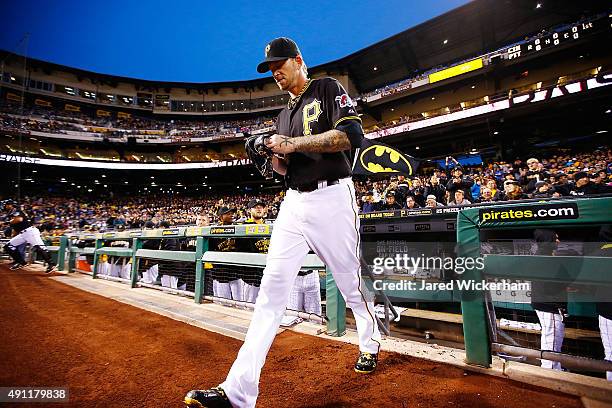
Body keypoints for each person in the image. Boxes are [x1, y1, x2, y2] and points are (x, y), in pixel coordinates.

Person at [185, 37, 381, 408]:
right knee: (270, 293)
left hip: (333, 197)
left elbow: (351, 137)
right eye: (269, 68)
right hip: (294, 202)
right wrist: (267, 156)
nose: (274, 71)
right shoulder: (283, 115)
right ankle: (238, 392)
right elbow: (284, 167)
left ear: (298, 60)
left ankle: (370, 342)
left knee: (350, 283)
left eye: (279, 64)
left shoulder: (326, 88)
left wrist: (291, 145)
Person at [531, 229, 566, 371]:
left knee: (549, 339)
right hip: (549, 305)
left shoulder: (543, 255)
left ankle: (551, 368)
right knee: (551, 341)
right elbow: (550, 286)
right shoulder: (545, 258)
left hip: (545, 304)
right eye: (555, 239)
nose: (558, 241)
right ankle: (551, 372)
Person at [3, 200, 57, 273]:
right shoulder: (11, 213)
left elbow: (19, 219)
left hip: (30, 232)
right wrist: (14, 237)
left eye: (6, 204)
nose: (5, 206)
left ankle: (51, 264)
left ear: (10, 205)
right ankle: (21, 262)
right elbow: (15, 227)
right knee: (8, 246)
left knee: (40, 248)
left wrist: (5, 223)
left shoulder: (16, 210)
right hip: (22, 234)